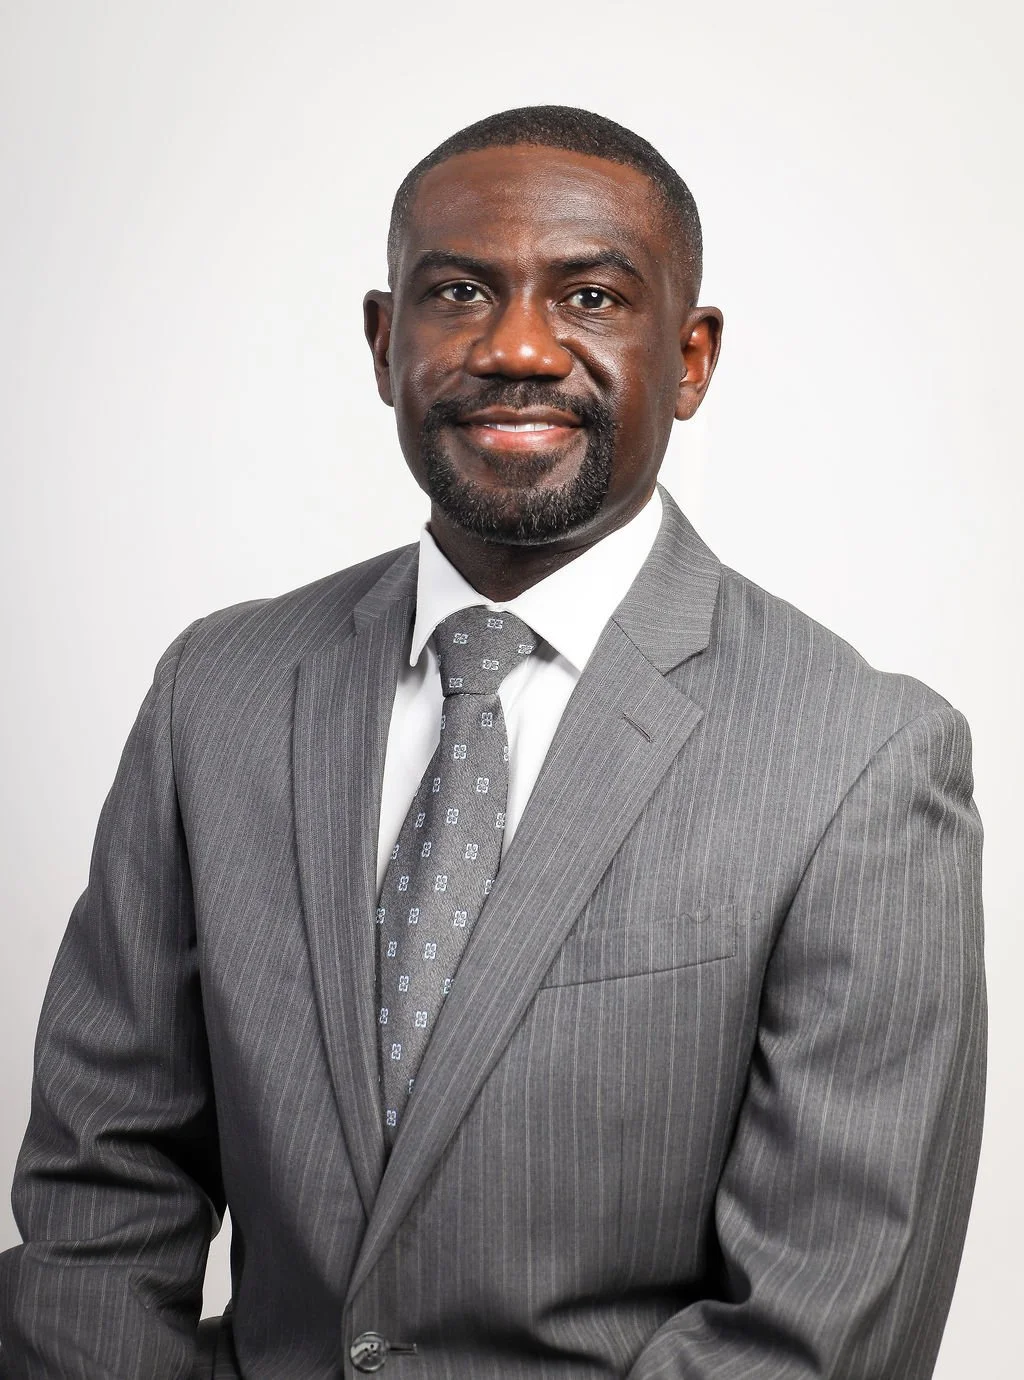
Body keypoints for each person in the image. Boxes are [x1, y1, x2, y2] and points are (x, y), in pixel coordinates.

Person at [0, 106, 985, 1379]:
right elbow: (102, 1189)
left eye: (590, 296)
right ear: (384, 342)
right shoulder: (218, 691)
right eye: (458, 292)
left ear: (690, 358)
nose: (517, 347)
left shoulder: (862, 758)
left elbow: (819, 1329)